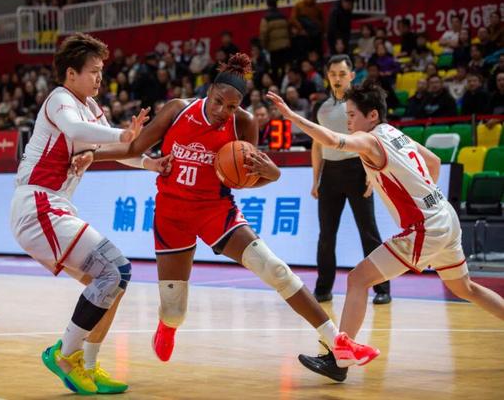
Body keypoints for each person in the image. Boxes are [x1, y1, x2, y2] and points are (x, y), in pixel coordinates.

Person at [92, 53, 379, 368]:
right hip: (171, 215)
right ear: (209, 91)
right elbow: (134, 149)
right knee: (174, 311)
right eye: (218, 102)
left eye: (231, 106)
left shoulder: (244, 122)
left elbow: (245, 178)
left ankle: (338, 342)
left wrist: (272, 174)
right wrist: (88, 155)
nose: (221, 111)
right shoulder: (177, 109)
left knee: (276, 270)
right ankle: (167, 325)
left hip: (216, 211)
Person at [267, 82, 504, 382]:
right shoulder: (395, 132)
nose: (348, 121)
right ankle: (341, 357)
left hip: (426, 227)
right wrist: (423, 196)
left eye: (352, 115)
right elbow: (433, 162)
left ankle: (340, 361)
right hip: (445, 214)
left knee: (358, 279)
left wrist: (292, 117)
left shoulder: (370, 140)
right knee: (465, 288)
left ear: (372, 115)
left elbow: (331, 139)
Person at [10, 33, 170, 395]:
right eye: (94, 71)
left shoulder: (92, 107)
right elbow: (77, 130)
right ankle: (65, 354)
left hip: (55, 207)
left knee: (113, 284)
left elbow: (115, 148)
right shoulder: (59, 99)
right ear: (71, 74)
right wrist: (121, 132)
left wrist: (150, 163)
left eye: (101, 71)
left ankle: (90, 365)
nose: (100, 77)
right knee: (116, 269)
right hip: (37, 204)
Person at [311, 55, 390, 304]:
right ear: (327, 76)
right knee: (326, 235)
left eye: (342, 74)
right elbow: (317, 144)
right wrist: (315, 179)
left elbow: (375, 138)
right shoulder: (320, 107)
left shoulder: (362, 103)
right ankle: (323, 289)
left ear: (352, 75)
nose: (337, 78)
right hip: (330, 174)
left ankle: (383, 288)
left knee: (369, 232)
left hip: (359, 170)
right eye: (333, 74)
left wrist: (373, 175)